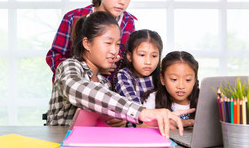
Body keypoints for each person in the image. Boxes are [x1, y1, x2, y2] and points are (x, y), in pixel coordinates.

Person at [46, 11, 194, 138]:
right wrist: (141, 112)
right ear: (87, 43)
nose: (114, 51)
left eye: (117, 44)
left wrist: (120, 121)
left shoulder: (104, 82)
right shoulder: (69, 66)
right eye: (108, 43)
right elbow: (77, 88)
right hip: (57, 146)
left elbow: (104, 118)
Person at [46, 0, 137, 82]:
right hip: (75, 92)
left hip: (111, 93)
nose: (122, 1)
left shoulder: (128, 22)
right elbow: (54, 57)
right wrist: (93, 69)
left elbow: (127, 61)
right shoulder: (73, 18)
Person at [142, 51, 199, 127]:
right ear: (162, 79)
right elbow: (141, 126)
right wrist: (170, 123)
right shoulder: (153, 99)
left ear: (195, 80)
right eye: (174, 79)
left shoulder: (202, 100)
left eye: (188, 80)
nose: (181, 86)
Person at [114, 29, 162, 105]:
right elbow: (135, 107)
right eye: (142, 55)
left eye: (154, 56)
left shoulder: (162, 77)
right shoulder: (124, 75)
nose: (148, 62)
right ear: (129, 56)